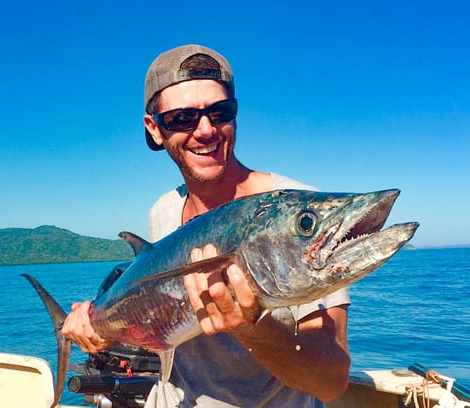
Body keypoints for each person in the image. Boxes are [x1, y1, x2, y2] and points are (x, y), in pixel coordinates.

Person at [63, 44, 350, 407]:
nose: (205, 130)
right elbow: (162, 321)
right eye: (182, 118)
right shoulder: (164, 211)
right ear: (154, 129)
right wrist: (100, 328)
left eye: (220, 112)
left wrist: (250, 327)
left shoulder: (299, 216)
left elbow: (331, 383)